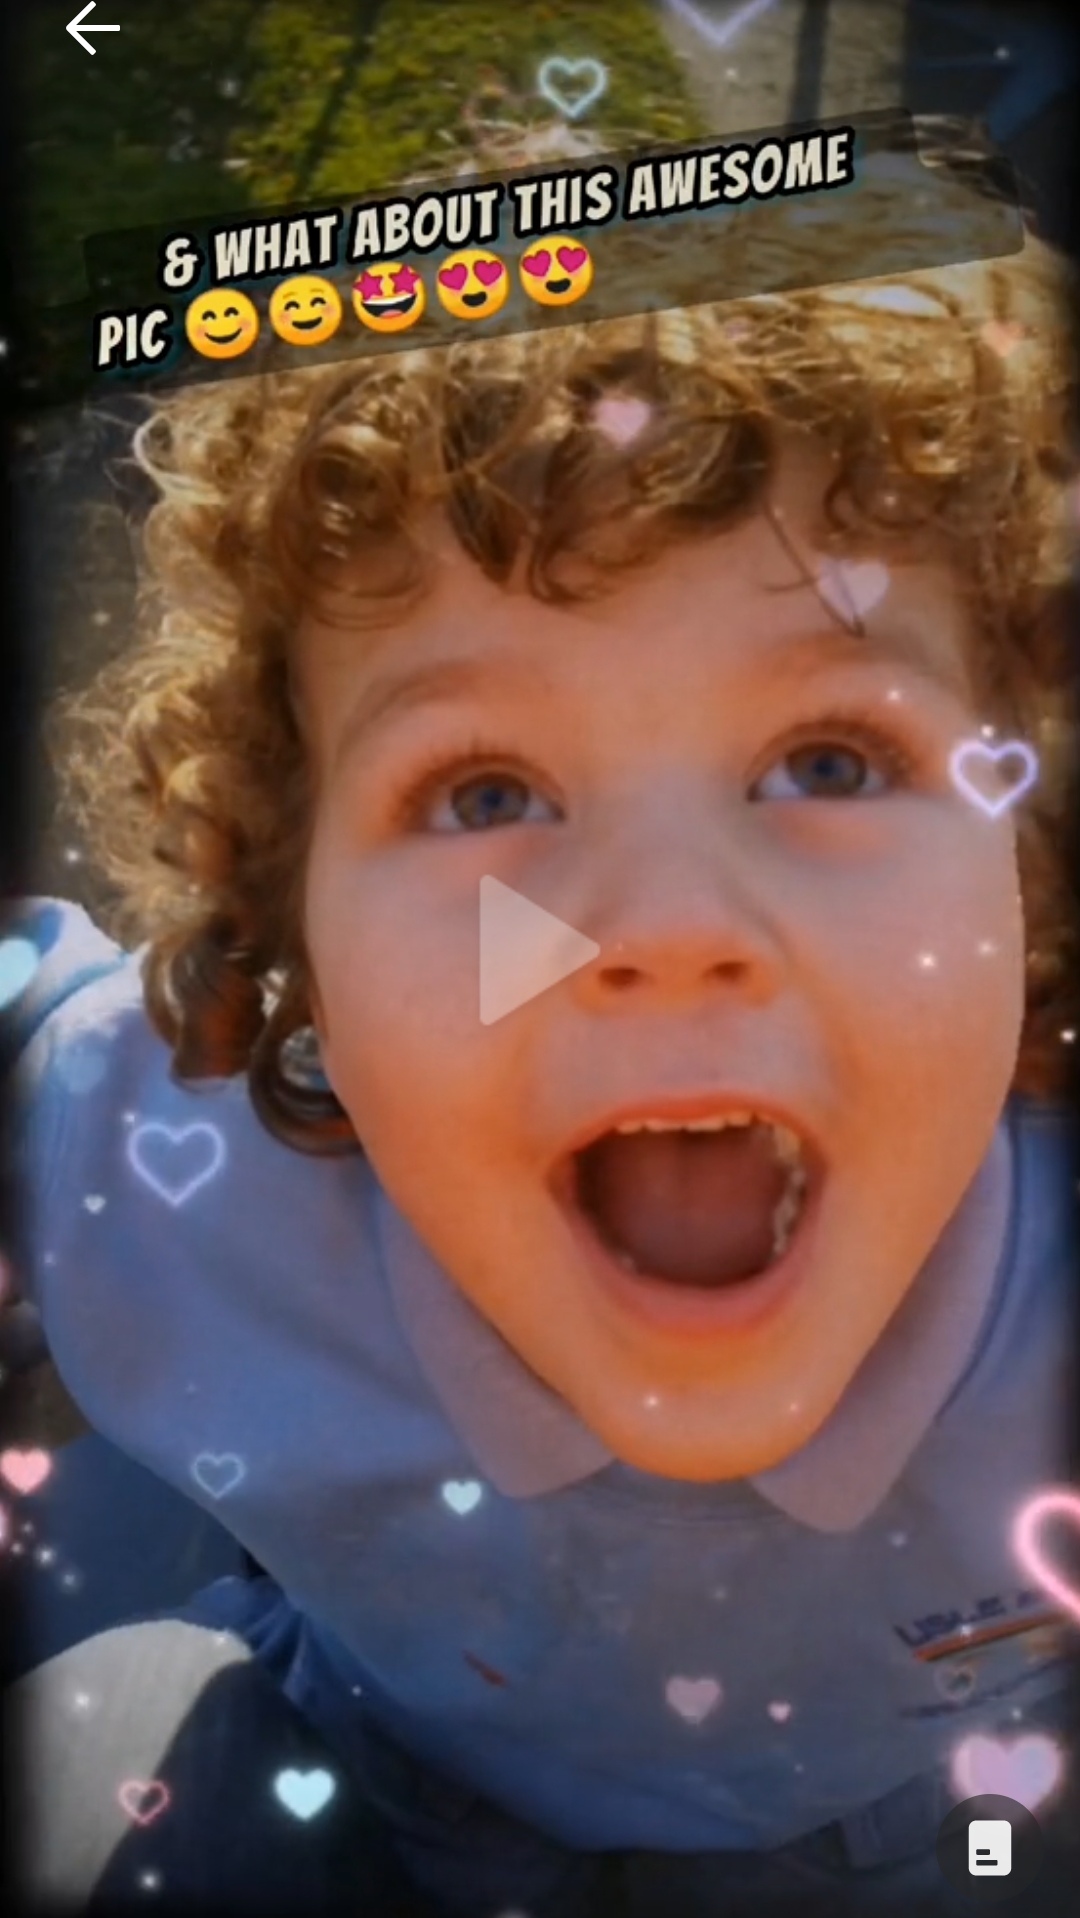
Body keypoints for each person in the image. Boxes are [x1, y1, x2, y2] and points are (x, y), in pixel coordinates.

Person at [4, 129, 1079, 1917]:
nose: (659, 929)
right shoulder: (159, 1164)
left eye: (830, 760)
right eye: (488, 792)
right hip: (385, 1779)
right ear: (291, 950)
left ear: (1032, 872)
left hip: (919, 1820)